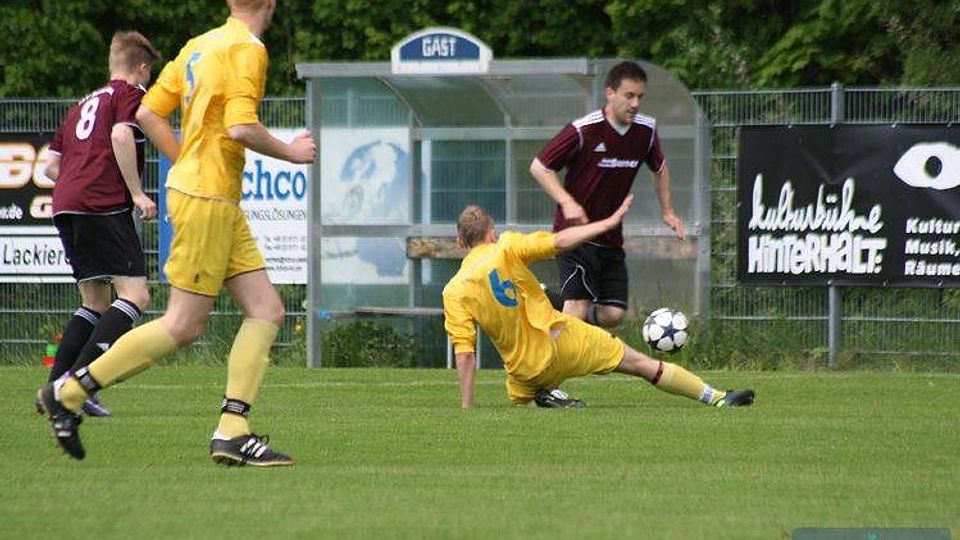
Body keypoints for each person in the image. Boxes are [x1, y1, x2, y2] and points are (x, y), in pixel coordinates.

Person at [37, 0, 317, 466]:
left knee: (266, 310)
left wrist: (186, 160)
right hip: (207, 197)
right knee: (182, 324)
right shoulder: (247, 48)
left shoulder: (199, 45)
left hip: (215, 197)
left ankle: (232, 430)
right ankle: (68, 393)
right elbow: (241, 127)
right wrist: (291, 152)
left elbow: (149, 113)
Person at [442, 197, 754, 409]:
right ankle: (716, 397)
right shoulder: (506, 246)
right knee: (641, 365)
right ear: (492, 234)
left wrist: (467, 408)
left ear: (459, 242)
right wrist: (607, 224)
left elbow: (465, 355)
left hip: (524, 369)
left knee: (520, 398)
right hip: (563, 342)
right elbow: (560, 241)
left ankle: (545, 394)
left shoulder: (454, 291)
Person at [42, 31, 161, 418]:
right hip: (102, 203)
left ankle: (53, 388)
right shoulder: (130, 94)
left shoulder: (82, 104)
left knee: (94, 301)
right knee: (136, 295)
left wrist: (78, 185)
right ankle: (77, 384)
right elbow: (121, 134)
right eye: (149, 73)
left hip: (66, 204)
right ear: (141, 68)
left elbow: (51, 166)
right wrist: (137, 194)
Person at [530, 60, 685, 328]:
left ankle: (548, 300)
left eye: (640, 97)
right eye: (629, 95)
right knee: (577, 309)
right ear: (610, 93)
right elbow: (539, 167)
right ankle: (562, 347)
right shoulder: (584, 130)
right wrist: (567, 202)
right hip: (575, 235)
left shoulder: (645, 131)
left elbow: (660, 168)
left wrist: (668, 211)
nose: (635, 103)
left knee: (613, 313)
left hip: (610, 238)